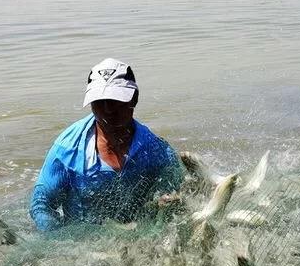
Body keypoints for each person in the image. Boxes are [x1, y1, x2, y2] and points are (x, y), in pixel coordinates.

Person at [29, 58, 184, 231]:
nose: (108, 110)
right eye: (99, 102)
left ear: (133, 99)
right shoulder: (67, 151)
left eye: (114, 100)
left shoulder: (157, 151)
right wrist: (58, 241)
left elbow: (182, 193)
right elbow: (41, 204)